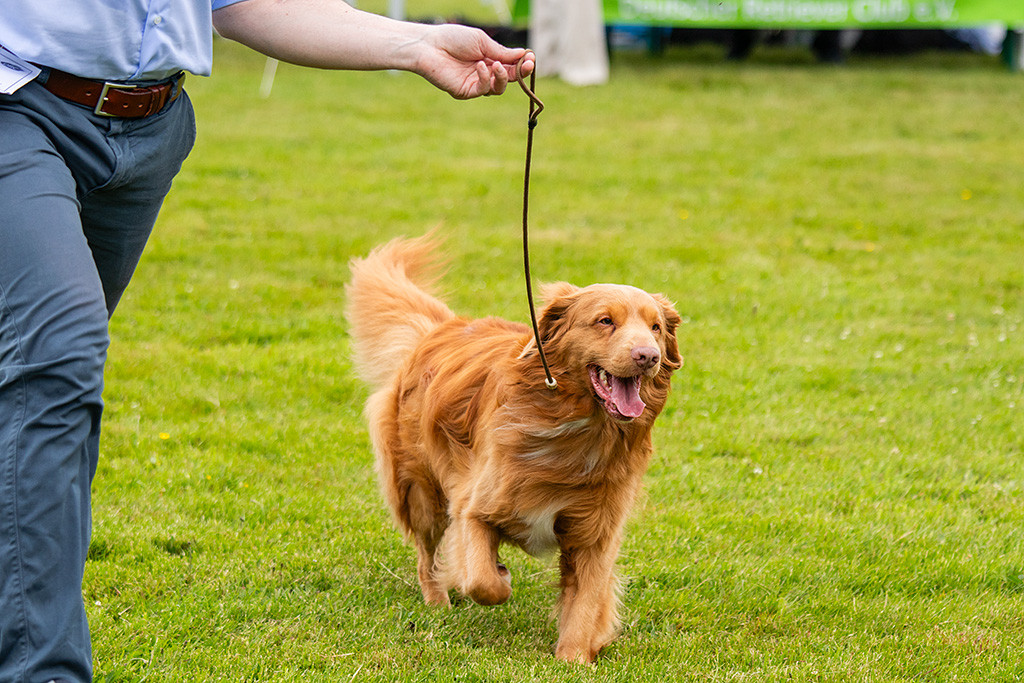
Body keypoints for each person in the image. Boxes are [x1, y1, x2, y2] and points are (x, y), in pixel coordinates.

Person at [0, 2, 533, 681]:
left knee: (32, 384)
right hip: (15, 105)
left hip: (146, 128)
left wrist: (419, 43)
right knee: (57, 358)